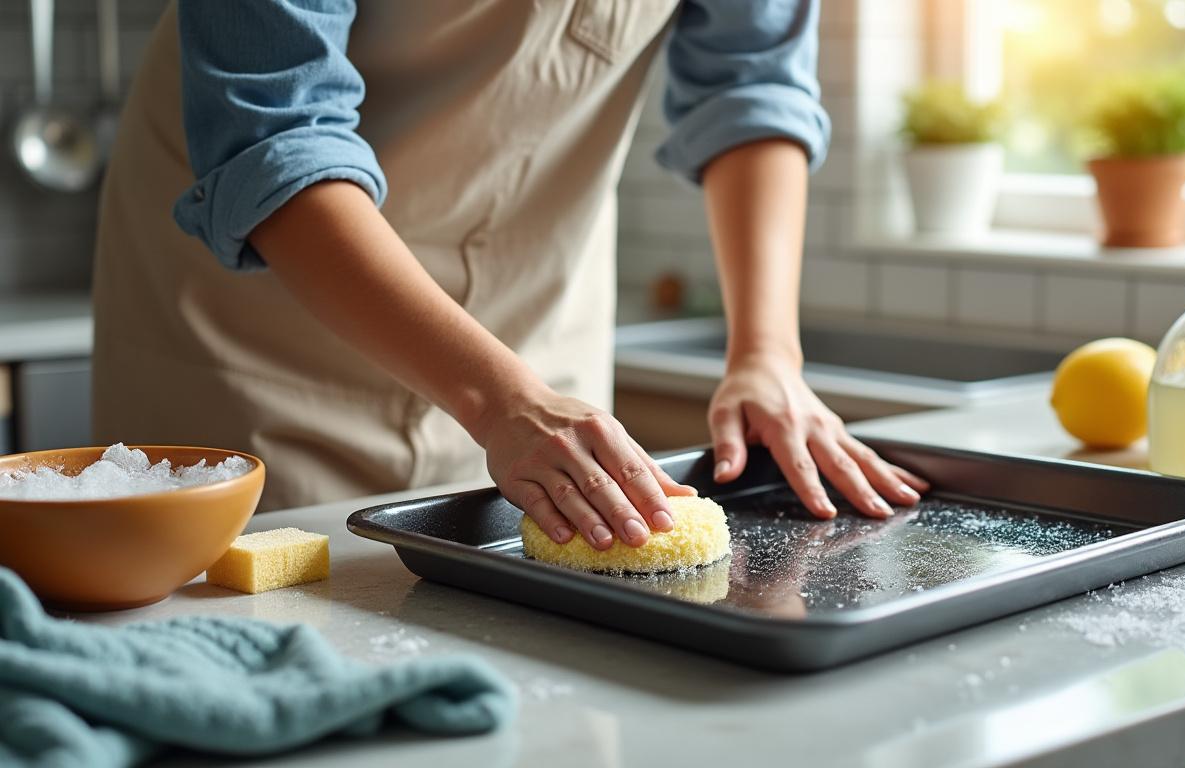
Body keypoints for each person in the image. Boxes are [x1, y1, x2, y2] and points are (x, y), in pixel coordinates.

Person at [92, 0, 928, 551]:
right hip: (264, 323)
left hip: (537, 318)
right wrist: (498, 398)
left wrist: (768, 352)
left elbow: (753, 84)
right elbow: (272, 138)